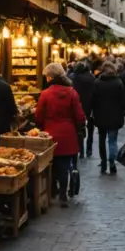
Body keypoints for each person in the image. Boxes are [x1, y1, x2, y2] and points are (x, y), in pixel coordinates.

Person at [36, 63, 86, 204]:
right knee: (65, 165)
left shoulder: (45, 94)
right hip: (68, 133)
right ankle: (63, 194)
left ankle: (52, 191)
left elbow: (39, 115)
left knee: (51, 164)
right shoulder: (72, 92)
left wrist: (40, 127)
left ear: (50, 77)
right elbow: (80, 116)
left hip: (50, 133)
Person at [92, 61, 125, 174]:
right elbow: (122, 101)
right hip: (115, 116)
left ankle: (103, 163)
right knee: (112, 141)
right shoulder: (118, 82)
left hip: (100, 116)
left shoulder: (97, 82)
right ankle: (112, 162)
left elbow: (94, 100)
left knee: (102, 140)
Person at [70, 61, 95, 157]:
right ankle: (89, 149)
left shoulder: (73, 78)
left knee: (79, 129)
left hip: (77, 105)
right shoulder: (91, 77)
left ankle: (81, 149)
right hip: (90, 105)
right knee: (90, 129)